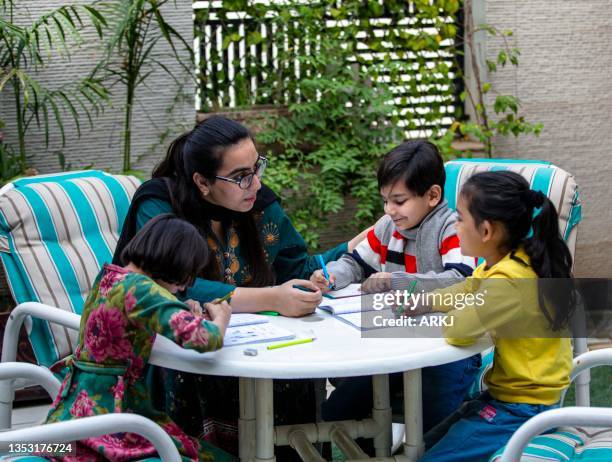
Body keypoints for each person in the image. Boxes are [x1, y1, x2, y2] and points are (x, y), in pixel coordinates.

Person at [112, 116, 367, 457]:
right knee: (205, 369)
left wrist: (360, 245)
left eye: (257, 167)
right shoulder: (162, 205)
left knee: (293, 363)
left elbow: (299, 267)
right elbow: (166, 288)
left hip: (254, 343)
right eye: (240, 177)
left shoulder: (261, 206)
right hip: (170, 351)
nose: (256, 184)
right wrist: (272, 298)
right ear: (201, 181)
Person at [311, 140, 481, 450]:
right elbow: (356, 262)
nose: (390, 210)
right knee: (337, 410)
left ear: (432, 195)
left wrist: (396, 280)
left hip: (446, 352)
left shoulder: (452, 228)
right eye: (386, 200)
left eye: (399, 201)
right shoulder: (388, 227)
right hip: (394, 349)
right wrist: (332, 276)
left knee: (433, 430)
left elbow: (461, 279)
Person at [408, 171, 575, 462]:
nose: (454, 226)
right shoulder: (508, 260)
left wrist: (466, 309)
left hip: (522, 407)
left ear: (486, 231)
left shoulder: (508, 280)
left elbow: (459, 329)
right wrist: (427, 302)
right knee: (426, 443)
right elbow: (468, 287)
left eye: (460, 218)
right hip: (512, 398)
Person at [45, 214, 234, 461]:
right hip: (113, 417)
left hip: (76, 406)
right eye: (186, 278)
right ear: (176, 263)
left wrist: (182, 310)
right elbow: (205, 339)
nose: (182, 288)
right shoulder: (145, 290)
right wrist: (222, 317)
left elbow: (133, 318)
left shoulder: (111, 276)